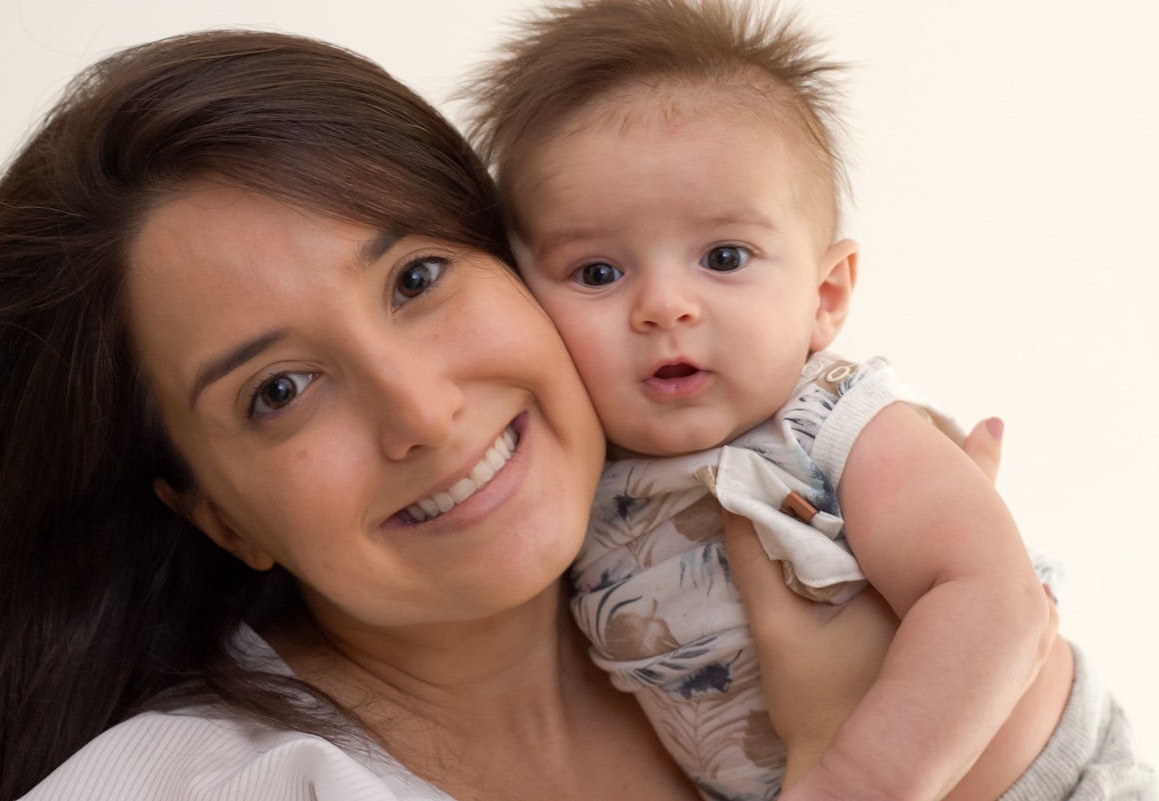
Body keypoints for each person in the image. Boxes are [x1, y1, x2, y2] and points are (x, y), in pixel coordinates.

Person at [0, 25, 1089, 801]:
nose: (421, 409)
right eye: (279, 392)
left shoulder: (770, 544)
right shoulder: (224, 783)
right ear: (219, 516)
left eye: (415, 280)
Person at [462, 1, 1155, 800]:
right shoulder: (564, 486)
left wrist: (855, 783)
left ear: (825, 295)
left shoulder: (833, 417)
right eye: (596, 272)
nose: (664, 305)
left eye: (723, 256)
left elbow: (996, 600)